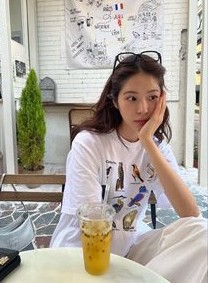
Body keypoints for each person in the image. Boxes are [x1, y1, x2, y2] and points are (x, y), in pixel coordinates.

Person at [51, 51, 207, 283]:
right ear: (115, 101)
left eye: (152, 97)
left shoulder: (156, 147)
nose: (143, 108)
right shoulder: (89, 143)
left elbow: (190, 214)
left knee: (203, 236)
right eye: (132, 98)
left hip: (130, 246)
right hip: (82, 253)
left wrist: (147, 143)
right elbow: (94, 224)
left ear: (162, 99)